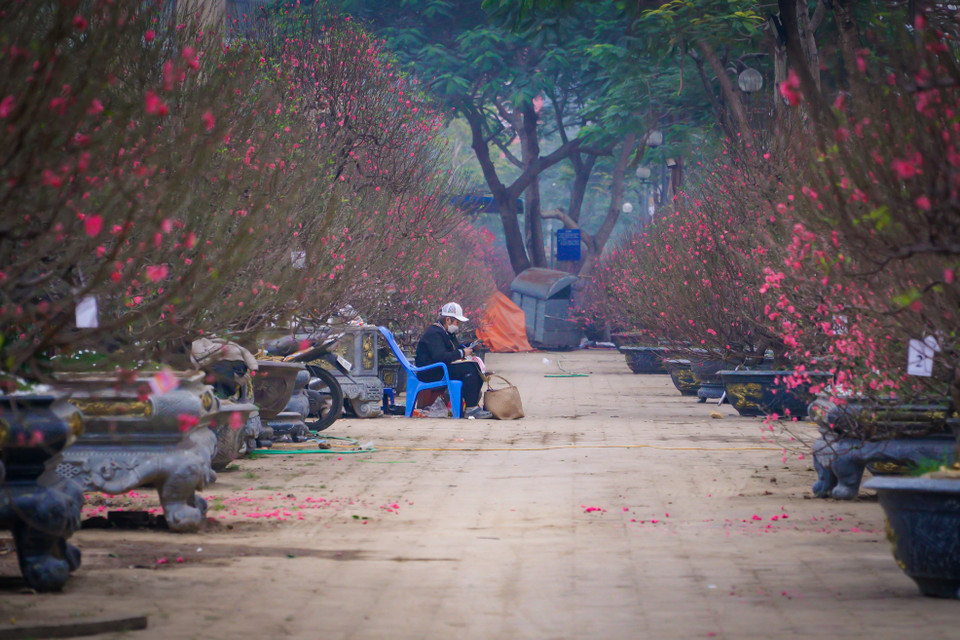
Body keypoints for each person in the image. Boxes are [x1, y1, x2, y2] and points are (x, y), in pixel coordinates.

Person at [415, 302, 492, 419]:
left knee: (475, 367)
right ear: (448, 320)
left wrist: (471, 346)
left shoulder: (447, 333)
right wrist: (462, 353)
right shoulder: (434, 333)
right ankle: (471, 408)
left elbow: (455, 347)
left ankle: (472, 404)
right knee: (470, 369)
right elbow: (440, 356)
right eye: (457, 322)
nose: (458, 326)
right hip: (431, 372)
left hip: (441, 368)